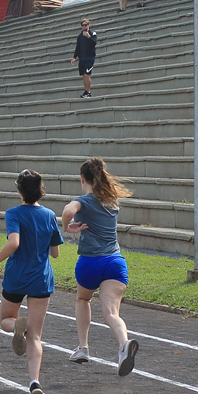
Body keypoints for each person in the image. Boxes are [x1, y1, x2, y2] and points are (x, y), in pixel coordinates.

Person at [62, 157, 139, 376]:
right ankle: (124, 344)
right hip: (115, 262)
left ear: (82, 178)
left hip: (90, 261)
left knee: (83, 299)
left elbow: (68, 211)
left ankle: (83, 347)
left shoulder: (83, 200)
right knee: (111, 313)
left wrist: (68, 227)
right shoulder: (112, 201)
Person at [0, 170, 63, 394]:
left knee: (5, 320)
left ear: (20, 190)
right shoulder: (50, 214)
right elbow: (55, 252)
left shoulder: (13, 213)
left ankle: (16, 326)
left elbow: (14, 243)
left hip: (17, 276)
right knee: (35, 336)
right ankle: (34, 383)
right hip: (41, 278)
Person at [71, 19, 97, 99]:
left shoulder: (92, 34)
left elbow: (94, 43)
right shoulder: (80, 36)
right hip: (82, 58)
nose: (84, 27)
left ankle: (88, 91)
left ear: (88, 25)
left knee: (87, 73)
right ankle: (86, 91)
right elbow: (78, 47)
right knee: (84, 75)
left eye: (86, 25)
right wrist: (74, 57)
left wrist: (88, 36)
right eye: (83, 25)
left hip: (90, 57)